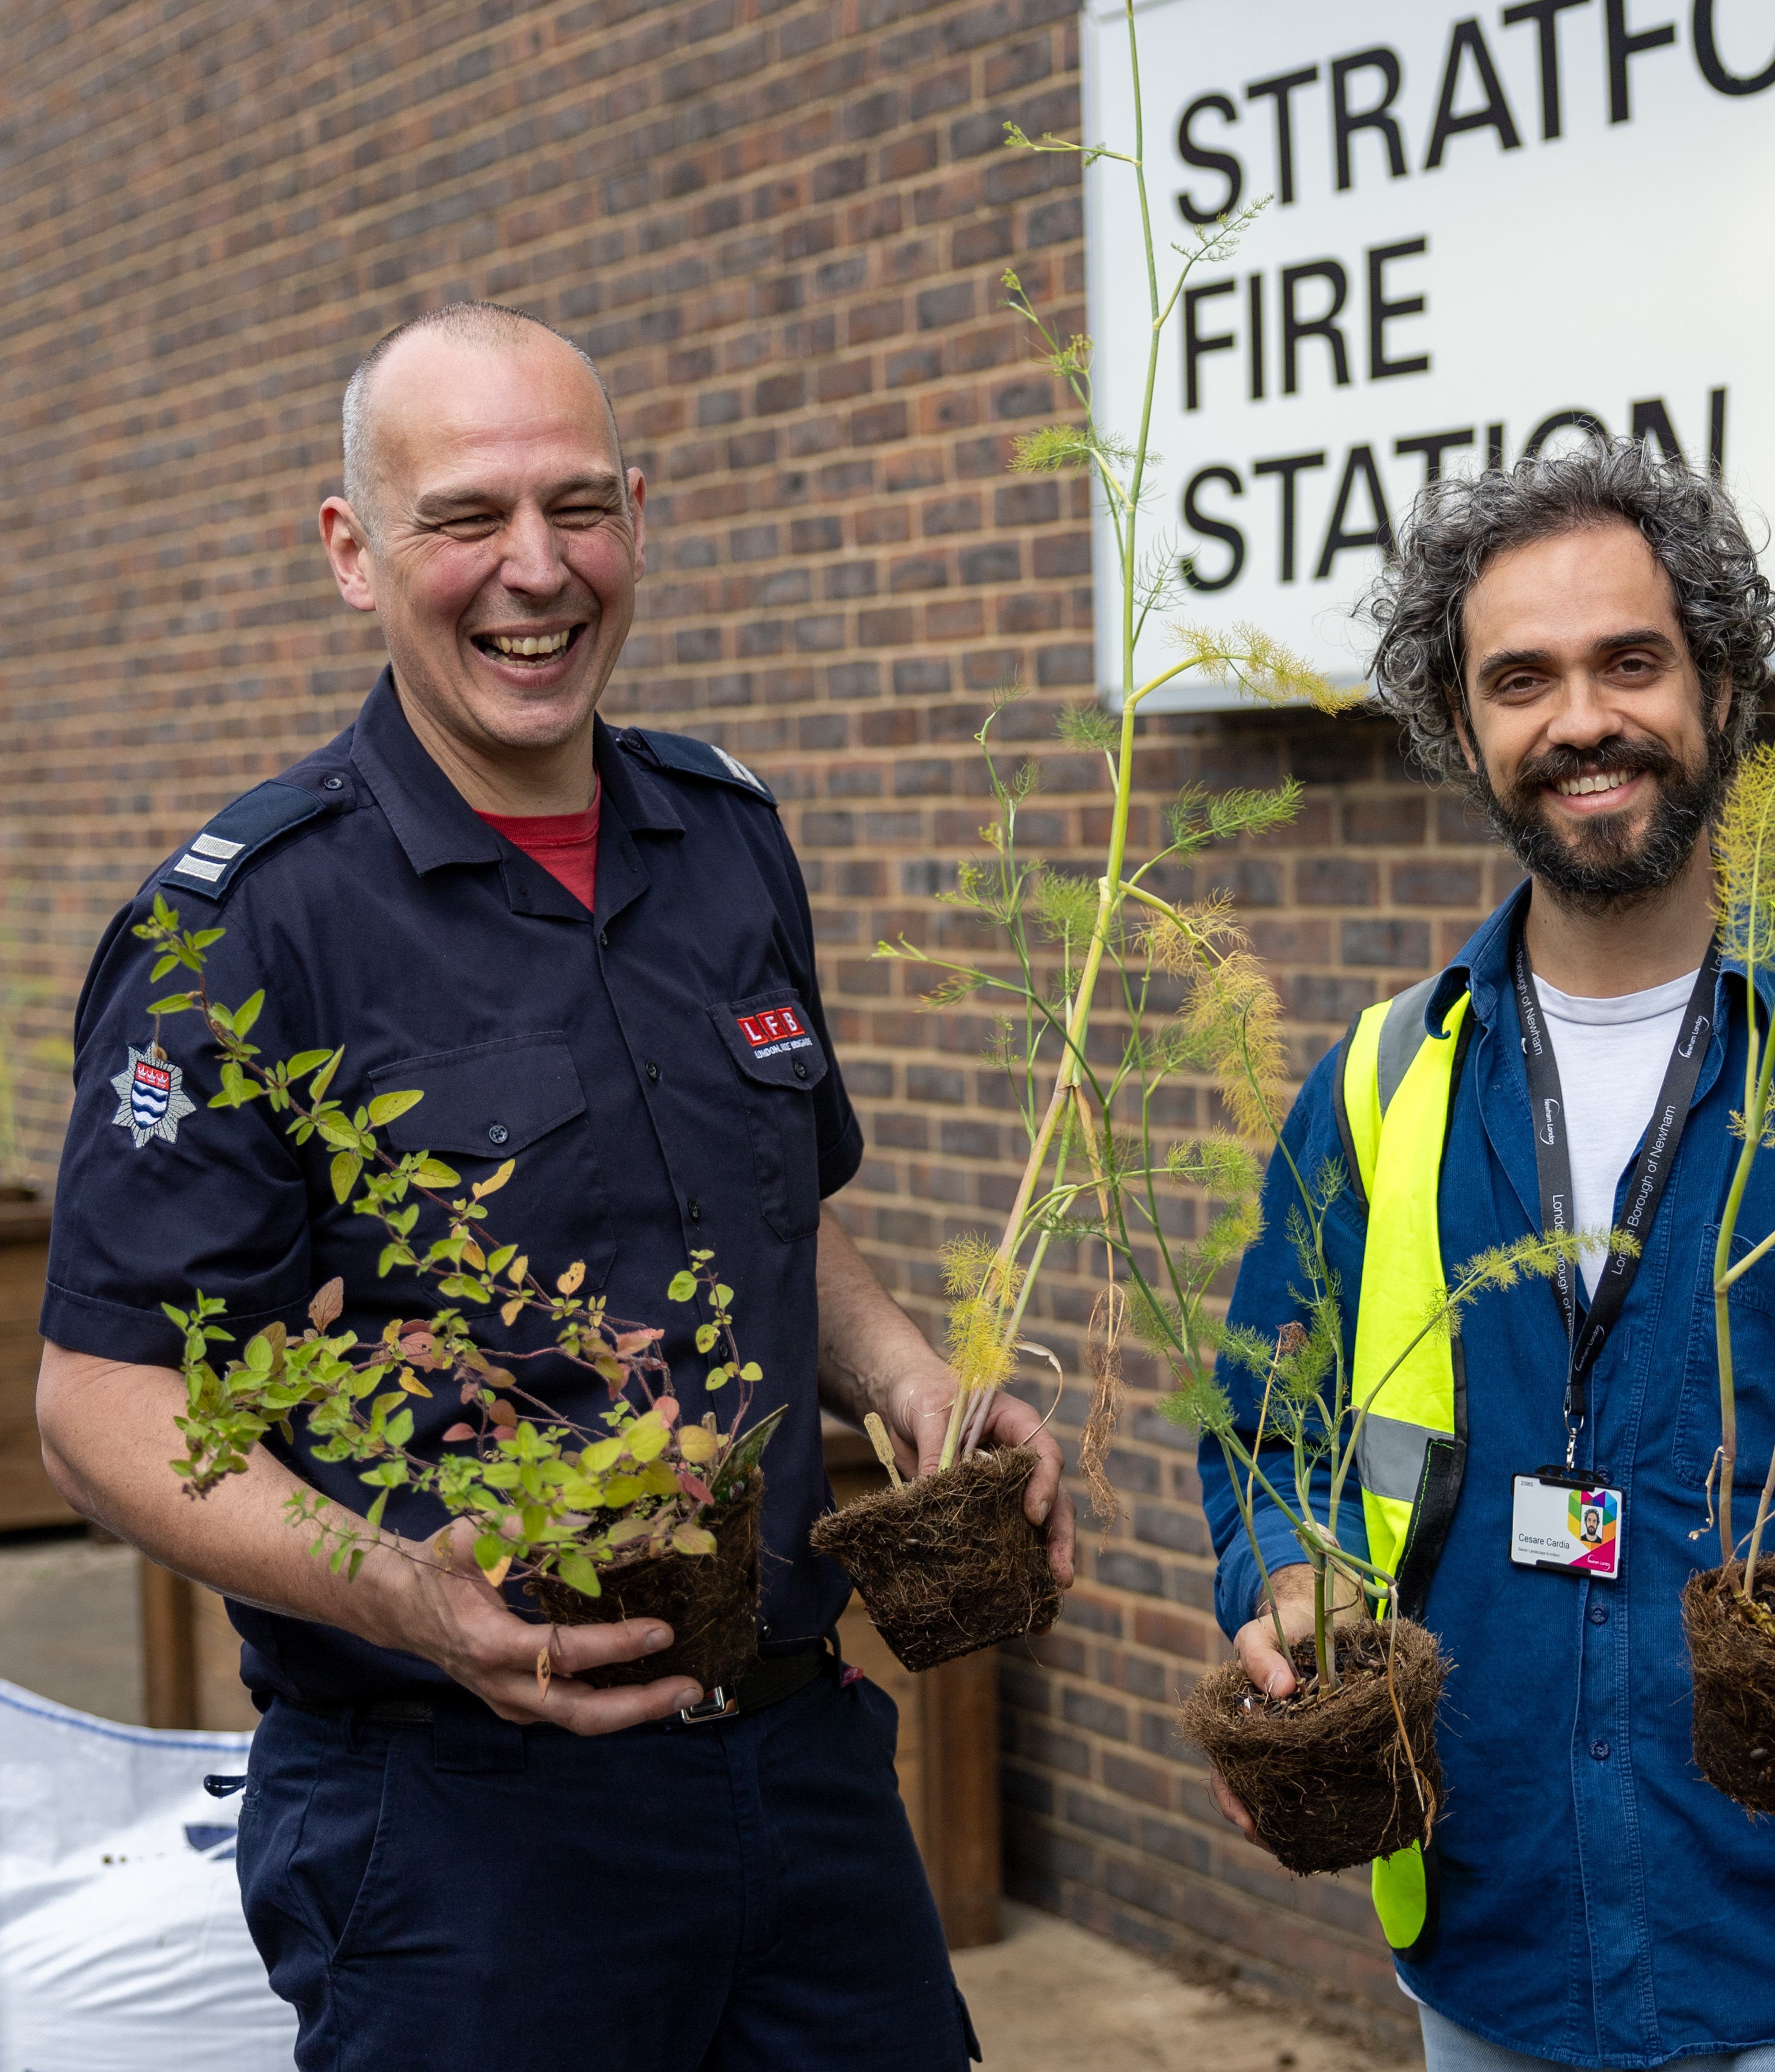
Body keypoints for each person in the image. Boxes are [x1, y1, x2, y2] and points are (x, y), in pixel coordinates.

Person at [34, 302, 1072, 2072]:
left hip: (799, 1765)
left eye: (578, 507)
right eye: (468, 519)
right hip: (456, 1832)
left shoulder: (724, 835)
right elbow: (100, 1400)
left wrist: (906, 1375)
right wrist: (400, 1587)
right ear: (354, 553)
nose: (538, 569)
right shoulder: (244, 928)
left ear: (640, 518)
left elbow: (775, 1209)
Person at [1196, 442, 1775, 2071]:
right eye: (1519, 678)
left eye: (1630, 660)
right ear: (1460, 724)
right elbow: (1265, 1430)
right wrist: (1286, 1578)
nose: (1580, 720)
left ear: (1721, 685)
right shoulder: (1376, 1086)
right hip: (1497, 1933)